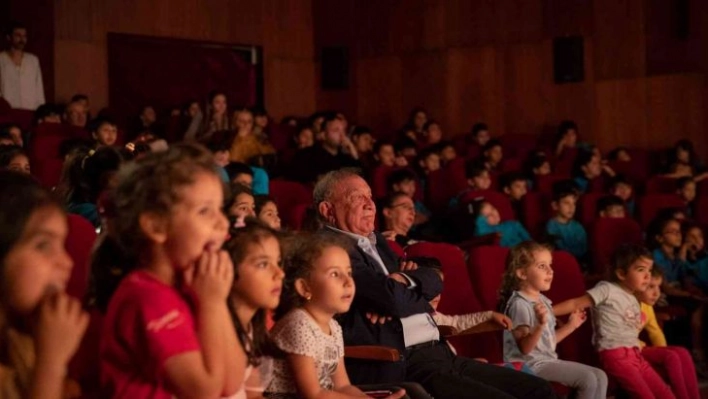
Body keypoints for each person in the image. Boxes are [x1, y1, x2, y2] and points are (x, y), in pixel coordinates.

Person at [315, 169, 556, 399]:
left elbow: (434, 278)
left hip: (439, 352)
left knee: (538, 390)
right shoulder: (330, 249)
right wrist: (405, 292)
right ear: (328, 210)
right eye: (357, 198)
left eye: (369, 196)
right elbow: (392, 299)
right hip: (402, 361)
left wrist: (405, 280)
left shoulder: (376, 240)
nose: (370, 204)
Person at [96, 143, 243, 397]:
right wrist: (211, 302)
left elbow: (231, 382)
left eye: (220, 209)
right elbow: (205, 391)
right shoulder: (147, 297)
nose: (222, 222)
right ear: (156, 226)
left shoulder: (189, 286)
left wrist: (215, 302)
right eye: (205, 211)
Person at [265, 232, 407, 399]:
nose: (348, 282)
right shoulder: (299, 325)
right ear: (304, 288)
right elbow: (312, 394)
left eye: (349, 272)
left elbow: (343, 386)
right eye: (334, 274)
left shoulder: (333, 327)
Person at [0, 171, 89, 398]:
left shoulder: (24, 339)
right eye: (43, 246)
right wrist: (51, 364)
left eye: (62, 244)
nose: (67, 262)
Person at [553, 244, 676, 398]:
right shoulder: (607, 289)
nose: (647, 276)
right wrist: (549, 311)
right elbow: (575, 303)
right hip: (615, 354)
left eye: (649, 270)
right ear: (621, 274)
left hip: (635, 354)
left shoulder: (634, 297)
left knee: (666, 393)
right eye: (640, 270)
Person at [499, 242, 608, 399]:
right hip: (526, 365)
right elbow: (525, 348)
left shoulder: (543, 301)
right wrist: (540, 324)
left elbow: (547, 342)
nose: (550, 271)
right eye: (542, 266)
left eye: (550, 265)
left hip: (545, 360)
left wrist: (571, 326)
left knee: (600, 375)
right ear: (522, 273)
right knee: (588, 379)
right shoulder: (519, 304)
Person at [225, 219, 285, 398]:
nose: (280, 273)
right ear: (228, 270)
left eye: (278, 262)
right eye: (263, 264)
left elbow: (253, 396)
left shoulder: (252, 329)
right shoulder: (215, 331)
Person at [636, 268, 700, 399]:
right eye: (650, 287)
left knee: (682, 352)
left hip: (641, 347)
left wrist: (663, 351)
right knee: (671, 357)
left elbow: (655, 332)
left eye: (659, 287)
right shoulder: (627, 304)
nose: (656, 293)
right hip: (631, 349)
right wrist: (665, 354)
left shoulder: (647, 307)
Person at [289, 114, 360, 183]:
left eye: (343, 130)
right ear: (323, 135)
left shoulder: (346, 158)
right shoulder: (307, 155)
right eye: (336, 130)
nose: (342, 135)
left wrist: (354, 152)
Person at [0, 22, 45, 110]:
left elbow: (39, 89)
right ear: (9, 37)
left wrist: (41, 110)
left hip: (30, 109)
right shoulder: (1, 59)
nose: (22, 39)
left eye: (24, 36)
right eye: (18, 35)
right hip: (8, 111)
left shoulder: (33, 60)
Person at [545, 186, 587, 260]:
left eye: (574, 203)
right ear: (555, 205)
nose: (571, 207)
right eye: (566, 203)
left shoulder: (578, 226)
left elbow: (583, 249)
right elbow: (559, 248)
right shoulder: (551, 226)